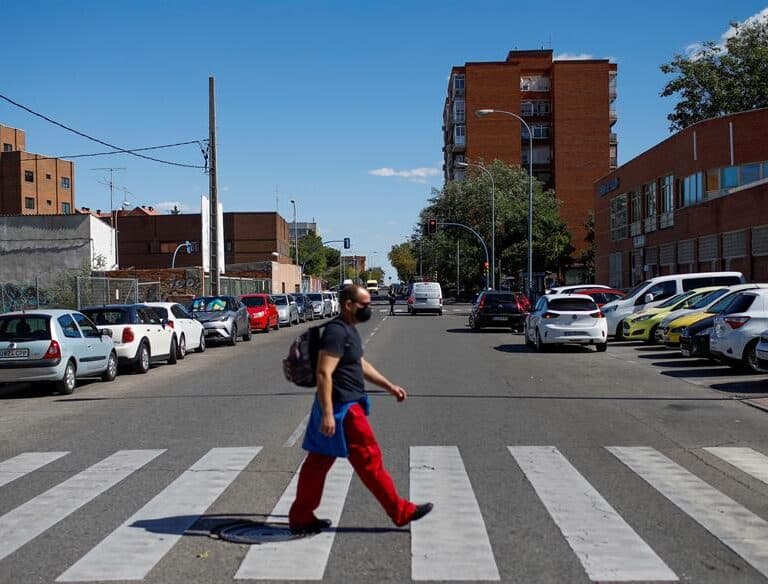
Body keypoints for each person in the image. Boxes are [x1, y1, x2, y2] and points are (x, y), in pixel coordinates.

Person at [289, 284, 433, 534]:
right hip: (343, 409)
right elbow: (324, 372)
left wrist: (389, 386)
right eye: (364, 304)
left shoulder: (348, 330)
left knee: (318, 463)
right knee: (369, 459)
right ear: (348, 305)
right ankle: (400, 511)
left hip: (345, 405)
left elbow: (359, 364)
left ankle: (301, 517)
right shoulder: (336, 332)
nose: (369, 308)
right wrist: (327, 413)